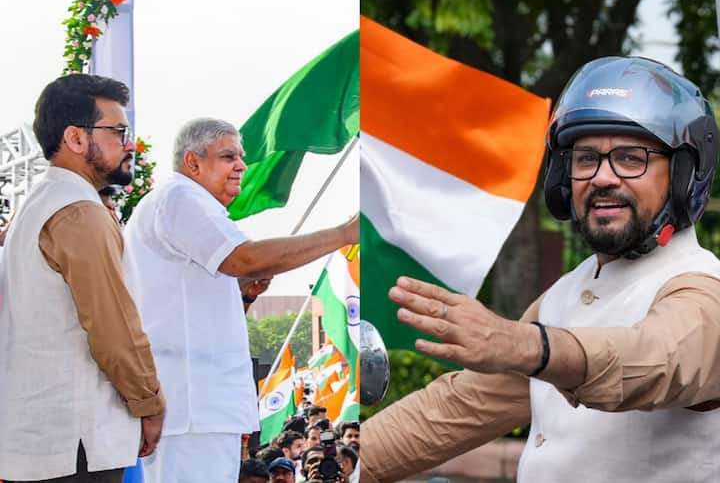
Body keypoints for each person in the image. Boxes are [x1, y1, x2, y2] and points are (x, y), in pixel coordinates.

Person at [360, 57, 720, 483]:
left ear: (683, 176)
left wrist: (528, 346)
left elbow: (652, 359)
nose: (602, 177)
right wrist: (337, 461)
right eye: (586, 159)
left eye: (630, 158)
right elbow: (454, 411)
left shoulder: (702, 291)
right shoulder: (565, 295)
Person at [123, 117, 359, 483]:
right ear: (193, 163)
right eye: (228, 156)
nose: (241, 166)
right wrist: (343, 233)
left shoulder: (187, 202)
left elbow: (200, 295)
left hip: (199, 409)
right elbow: (245, 258)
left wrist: (242, 295)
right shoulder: (180, 196)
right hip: (191, 410)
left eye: (241, 156)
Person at [0, 74, 165, 482]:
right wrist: (149, 403)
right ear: (75, 138)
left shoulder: (38, 203)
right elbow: (113, 327)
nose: (129, 145)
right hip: (76, 442)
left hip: (45, 440)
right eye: (119, 131)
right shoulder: (78, 210)